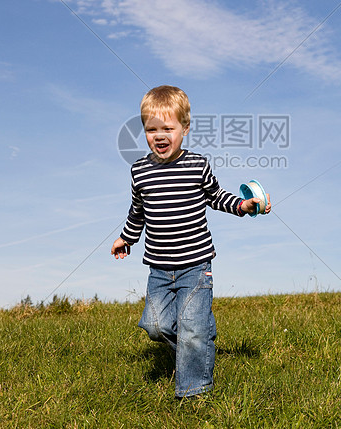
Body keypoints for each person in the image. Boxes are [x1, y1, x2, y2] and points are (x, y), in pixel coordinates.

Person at [111, 85, 271, 399]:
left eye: (167, 128)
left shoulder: (197, 165)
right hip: (158, 268)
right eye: (151, 129)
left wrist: (242, 205)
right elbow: (137, 211)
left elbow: (216, 196)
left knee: (192, 329)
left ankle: (193, 392)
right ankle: (197, 339)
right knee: (156, 326)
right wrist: (126, 238)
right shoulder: (140, 171)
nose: (159, 135)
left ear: (184, 129)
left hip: (195, 266)